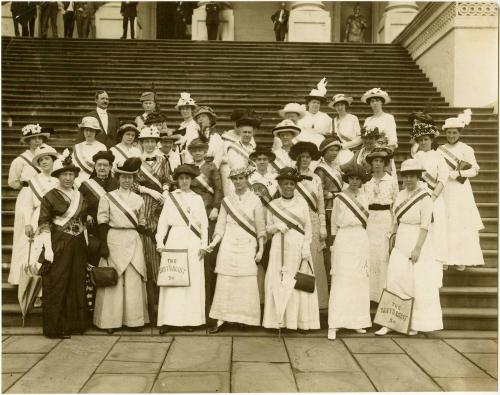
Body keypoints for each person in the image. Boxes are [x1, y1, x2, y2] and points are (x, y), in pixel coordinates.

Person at [376, 158, 443, 336]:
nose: (408, 180)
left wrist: (417, 249)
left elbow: (425, 225)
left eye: (412, 176)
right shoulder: (400, 195)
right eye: (406, 177)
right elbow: (396, 219)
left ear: (418, 177)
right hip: (401, 239)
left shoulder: (425, 196)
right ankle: (390, 322)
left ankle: (415, 323)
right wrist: (392, 238)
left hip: (417, 240)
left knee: (416, 282)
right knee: (395, 278)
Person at [93, 158, 149, 334]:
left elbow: (141, 221)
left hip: (132, 238)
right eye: (123, 177)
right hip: (114, 237)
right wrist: (103, 244)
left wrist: (142, 228)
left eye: (130, 177)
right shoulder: (107, 197)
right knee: (113, 280)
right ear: (118, 178)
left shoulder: (139, 199)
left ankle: (134, 320)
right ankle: (109, 321)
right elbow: (101, 222)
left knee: (133, 277)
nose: (127, 180)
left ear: (134, 179)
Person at [207, 166, 265, 333]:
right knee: (226, 281)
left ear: (247, 179)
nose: (238, 182)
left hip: (247, 244)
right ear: (231, 181)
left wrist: (260, 249)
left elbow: (260, 228)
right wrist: (214, 243)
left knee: (245, 282)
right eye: (235, 179)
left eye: (241, 178)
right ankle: (221, 319)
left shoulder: (255, 200)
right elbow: (221, 226)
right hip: (228, 243)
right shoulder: (226, 201)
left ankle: (245, 319)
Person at [38, 151, 89, 338]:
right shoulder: (50, 196)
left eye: (71, 175)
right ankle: (55, 328)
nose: (68, 178)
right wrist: (48, 249)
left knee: (76, 281)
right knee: (58, 282)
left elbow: (82, 218)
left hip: (78, 243)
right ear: (58, 176)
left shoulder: (80, 195)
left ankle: (75, 324)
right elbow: (44, 223)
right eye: (64, 175)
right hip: (59, 242)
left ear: (75, 176)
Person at [263, 167, 319, 332]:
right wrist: (276, 227)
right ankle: (277, 321)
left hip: (297, 246)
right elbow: (268, 228)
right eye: (285, 183)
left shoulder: (302, 203)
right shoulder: (273, 204)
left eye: (291, 184)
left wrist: (306, 246)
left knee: (297, 282)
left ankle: (299, 322)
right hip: (279, 246)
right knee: (278, 280)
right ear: (280, 185)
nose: (288, 186)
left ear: (295, 185)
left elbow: (308, 226)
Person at [155, 164, 209, 333]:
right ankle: (168, 320)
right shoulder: (171, 197)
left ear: (191, 180)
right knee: (173, 278)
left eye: (187, 178)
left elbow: (204, 225)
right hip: (175, 240)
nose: (184, 181)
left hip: (193, 241)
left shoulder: (197, 198)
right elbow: (163, 222)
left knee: (192, 280)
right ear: (177, 181)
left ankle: (190, 320)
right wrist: (160, 242)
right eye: (181, 178)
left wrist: (203, 245)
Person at [328, 165, 371, 340]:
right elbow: (333, 221)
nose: (354, 181)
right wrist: (333, 242)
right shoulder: (340, 198)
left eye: (358, 179)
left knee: (359, 279)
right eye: (352, 178)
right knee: (341, 279)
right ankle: (335, 324)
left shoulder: (365, 196)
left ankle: (357, 322)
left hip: (360, 237)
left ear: (361, 181)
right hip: (344, 237)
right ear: (347, 180)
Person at [439, 111, 484, 270]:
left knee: (460, 222)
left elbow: (474, 170)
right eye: (449, 132)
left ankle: (461, 259)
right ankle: (445, 259)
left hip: (460, 190)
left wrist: (457, 173)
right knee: (445, 222)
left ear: (459, 133)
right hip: (444, 190)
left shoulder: (466, 149)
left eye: (454, 132)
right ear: (445, 133)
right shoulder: (440, 149)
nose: (451, 135)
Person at [8, 124, 52, 285]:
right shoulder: (20, 160)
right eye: (33, 139)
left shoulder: (47, 155)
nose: (37, 141)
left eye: (39, 138)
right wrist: (27, 186)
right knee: (24, 237)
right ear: (27, 141)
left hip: (46, 196)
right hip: (28, 194)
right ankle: (20, 277)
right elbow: (12, 181)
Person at [135, 126, 170, 318]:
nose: (149, 144)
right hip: (141, 205)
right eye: (146, 140)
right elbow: (130, 183)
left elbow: (167, 180)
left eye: (152, 140)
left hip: (159, 208)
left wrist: (164, 191)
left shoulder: (163, 160)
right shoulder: (135, 160)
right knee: (143, 258)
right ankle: (144, 307)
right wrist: (149, 191)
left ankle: (159, 307)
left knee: (157, 256)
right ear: (141, 143)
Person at [289, 142, 329, 309]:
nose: (305, 160)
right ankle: (295, 303)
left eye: (307, 157)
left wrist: (323, 226)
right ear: (297, 158)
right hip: (295, 220)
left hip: (312, 221)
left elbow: (320, 204)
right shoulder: (291, 176)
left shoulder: (316, 178)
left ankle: (316, 304)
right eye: (302, 157)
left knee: (314, 259)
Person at [188, 139, 223, 322]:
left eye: (201, 150)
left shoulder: (211, 168)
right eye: (194, 150)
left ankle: (208, 309)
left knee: (208, 260)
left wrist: (216, 207)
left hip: (208, 215)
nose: (198, 153)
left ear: (205, 151)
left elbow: (218, 189)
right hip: (190, 215)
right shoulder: (186, 168)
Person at [17, 145, 59, 292]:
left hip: (58, 218)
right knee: (38, 254)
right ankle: (37, 292)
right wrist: (28, 223)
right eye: (41, 160)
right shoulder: (33, 181)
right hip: (38, 219)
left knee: (55, 252)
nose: (44, 162)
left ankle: (53, 290)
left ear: (53, 160)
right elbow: (27, 205)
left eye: (47, 158)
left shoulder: (60, 179)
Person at [411, 123, 449, 267]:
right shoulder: (416, 157)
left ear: (431, 140)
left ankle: (436, 261)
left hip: (434, 197)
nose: (423, 142)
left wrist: (432, 198)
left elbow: (443, 179)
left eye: (426, 139)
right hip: (419, 197)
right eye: (420, 140)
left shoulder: (438, 156)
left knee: (436, 227)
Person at [364, 148, 398, 302]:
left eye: (380, 161)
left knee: (383, 255)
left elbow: (396, 204)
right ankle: (370, 294)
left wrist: (394, 226)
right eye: (374, 161)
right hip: (370, 220)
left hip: (385, 219)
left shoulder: (391, 181)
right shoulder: (366, 182)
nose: (377, 164)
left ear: (385, 164)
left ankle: (383, 294)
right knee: (370, 255)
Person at [248, 146, 278, 301]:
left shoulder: (275, 178)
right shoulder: (249, 178)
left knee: (270, 258)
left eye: (265, 159)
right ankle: (256, 299)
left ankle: (269, 299)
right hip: (254, 222)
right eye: (259, 159)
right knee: (255, 258)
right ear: (254, 160)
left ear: (269, 161)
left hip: (271, 221)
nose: (261, 162)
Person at [314, 136, 344, 284]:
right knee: (329, 247)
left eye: (336, 150)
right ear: (324, 151)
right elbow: (319, 192)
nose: (334, 153)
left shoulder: (335, 167)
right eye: (331, 150)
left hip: (337, 210)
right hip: (327, 212)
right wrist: (335, 194)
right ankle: (328, 282)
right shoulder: (320, 169)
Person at [220, 108, 258, 195]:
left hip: (249, 172)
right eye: (237, 122)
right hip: (230, 172)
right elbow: (224, 159)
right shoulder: (226, 138)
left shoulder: (251, 139)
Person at [72, 116, 107, 186]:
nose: (88, 133)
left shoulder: (102, 147)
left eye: (91, 130)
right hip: (77, 182)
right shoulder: (77, 147)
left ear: (96, 131)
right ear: (83, 131)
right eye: (86, 130)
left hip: (95, 182)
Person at [297, 78, 331, 146]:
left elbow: (329, 132)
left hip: (319, 144)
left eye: (318, 103)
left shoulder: (325, 117)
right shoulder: (302, 115)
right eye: (313, 102)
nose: (316, 104)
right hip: (302, 143)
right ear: (308, 104)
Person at [329, 93, 360, 165]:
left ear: (346, 105)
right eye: (337, 105)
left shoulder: (353, 118)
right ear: (335, 107)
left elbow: (359, 138)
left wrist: (344, 146)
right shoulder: (333, 121)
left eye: (342, 105)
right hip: (336, 154)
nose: (340, 107)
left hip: (349, 152)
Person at [174, 92, 199, 164]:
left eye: (187, 108)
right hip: (180, 157)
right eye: (182, 109)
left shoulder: (195, 125)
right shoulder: (182, 125)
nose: (185, 111)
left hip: (191, 158)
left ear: (192, 110)